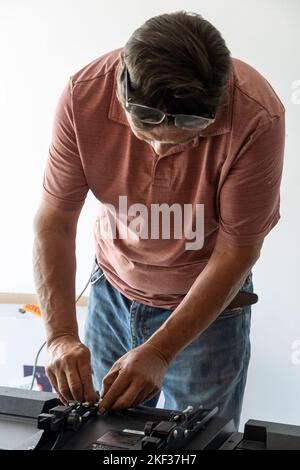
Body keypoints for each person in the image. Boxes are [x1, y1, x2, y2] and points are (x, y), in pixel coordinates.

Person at [33, 11, 285, 430]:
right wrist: (60, 335)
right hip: (112, 291)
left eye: (188, 128)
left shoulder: (256, 115)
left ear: (220, 97)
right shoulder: (84, 95)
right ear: (121, 86)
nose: (160, 145)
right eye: (145, 123)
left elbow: (237, 249)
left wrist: (162, 350)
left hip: (209, 311)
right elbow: (55, 221)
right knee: (103, 434)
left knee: (199, 440)